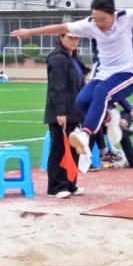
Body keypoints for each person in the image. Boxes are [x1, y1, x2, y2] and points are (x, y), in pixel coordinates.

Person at [12, 0, 133, 157]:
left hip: (128, 73)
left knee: (101, 91)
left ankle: (86, 134)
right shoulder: (90, 24)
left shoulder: (129, 18)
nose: (99, 24)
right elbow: (62, 27)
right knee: (81, 102)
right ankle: (110, 117)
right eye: (96, 20)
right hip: (103, 74)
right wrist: (30, 32)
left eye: (103, 20)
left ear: (112, 15)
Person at [43, 32, 86, 198]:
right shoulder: (58, 59)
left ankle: (70, 183)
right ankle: (55, 187)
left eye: (76, 37)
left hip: (74, 111)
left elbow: (80, 84)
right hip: (61, 112)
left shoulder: (73, 59)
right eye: (70, 37)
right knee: (59, 148)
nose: (74, 41)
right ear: (61, 38)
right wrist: (60, 113)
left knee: (74, 148)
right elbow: (56, 87)